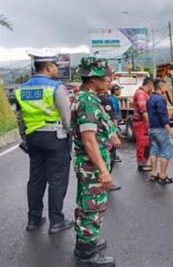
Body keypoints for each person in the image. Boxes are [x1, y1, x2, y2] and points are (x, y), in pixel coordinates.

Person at [15, 53, 74, 233]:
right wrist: (70, 134)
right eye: (55, 66)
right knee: (57, 179)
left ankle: (33, 220)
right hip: (55, 138)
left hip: (33, 138)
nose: (57, 69)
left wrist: (25, 138)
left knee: (36, 179)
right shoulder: (56, 87)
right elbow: (66, 116)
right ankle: (56, 222)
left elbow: (20, 118)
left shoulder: (21, 89)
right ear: (48, 67)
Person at [71, 57, 120, 265]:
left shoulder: (85, 97)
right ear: (93, 78)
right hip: (91, 165)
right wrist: (103, 170)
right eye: (106, 75)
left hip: (89, 163)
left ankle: (86, 242)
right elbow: (89, 140)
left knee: (88, 205)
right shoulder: (87, 101)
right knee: (92, 207)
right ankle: (86, 255)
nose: (110, 79)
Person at [146, 79, 173, 184]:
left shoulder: (150, 98)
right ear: (161, 87)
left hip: (152, 129)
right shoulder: (160, 99)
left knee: (154, 150)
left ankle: (154, 174)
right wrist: (170, 130)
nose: (166, 89)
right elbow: (162, 116)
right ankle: (163, 176)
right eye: (165, 87)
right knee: (166, 151)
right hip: (160, 129)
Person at [97, 85, 122, 192]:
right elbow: (109, 119)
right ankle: (106, 181)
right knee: (108, 157)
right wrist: (114, 134)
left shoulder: (96, 96)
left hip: (98, 133)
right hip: (105, 133)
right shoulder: (105, 99)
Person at [132, 77, 154, 171]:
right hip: (141, 123)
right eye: (152, 87)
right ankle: (141, 163)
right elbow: (143, 111)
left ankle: (144, 162)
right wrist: (149, 125)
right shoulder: (141, 94)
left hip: (142, 122)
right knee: (142, 143)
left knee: (146, 143)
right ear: (149, 85)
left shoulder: (144, 93)